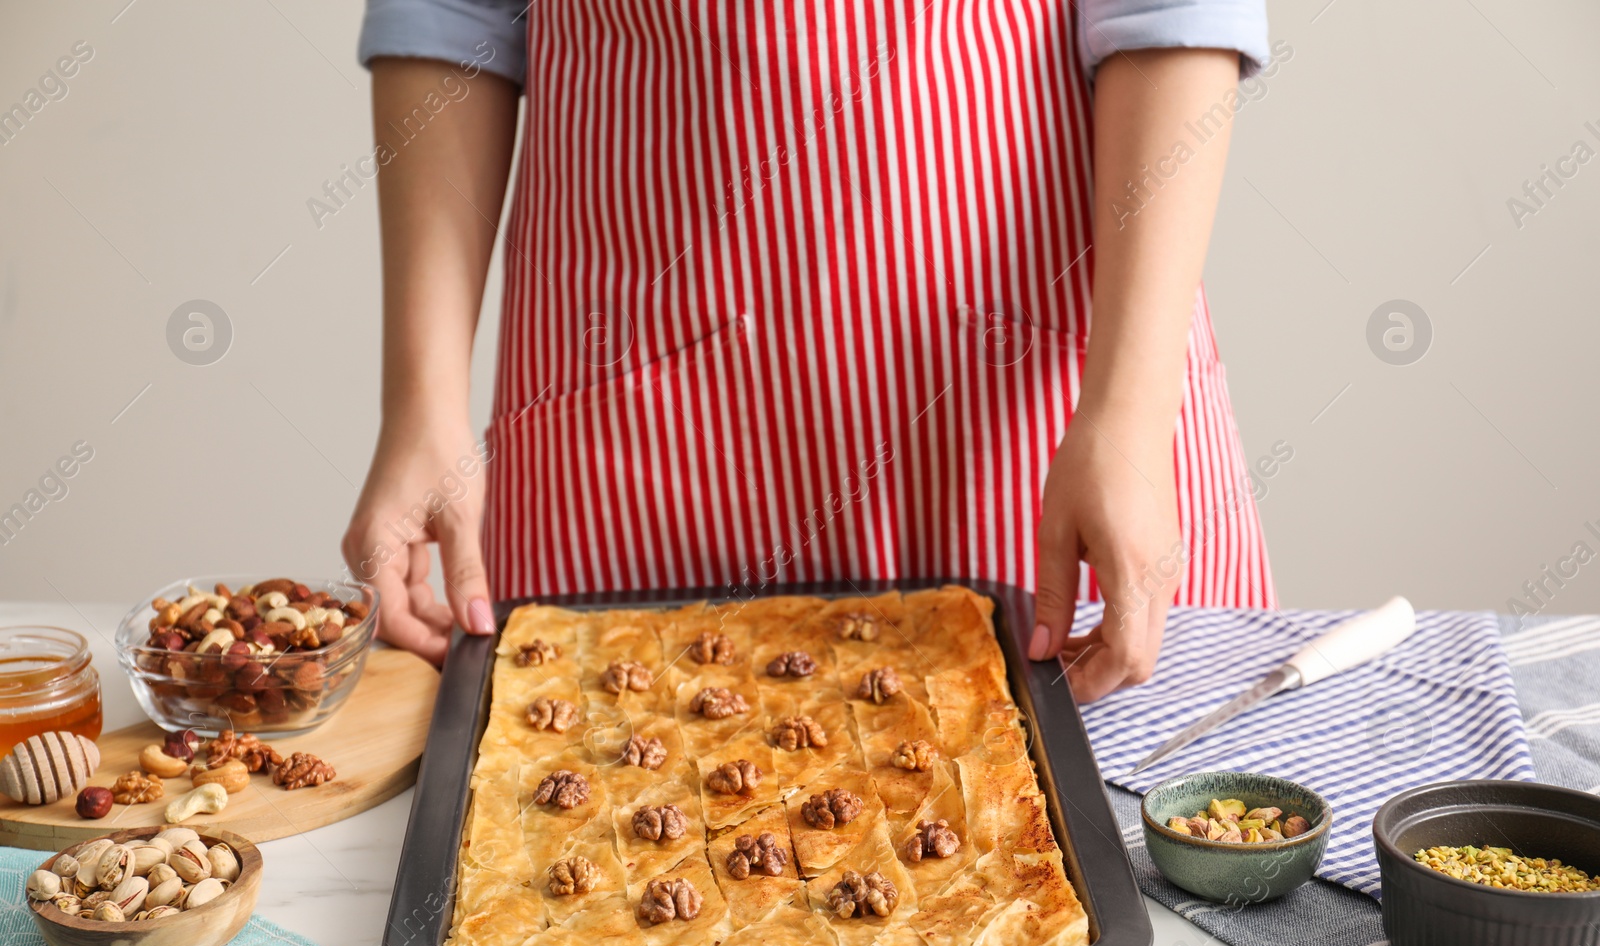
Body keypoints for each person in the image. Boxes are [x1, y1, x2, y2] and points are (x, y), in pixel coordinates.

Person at [342, 0, 1277, 702]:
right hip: (635, 441)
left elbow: (1173, 11)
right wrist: (421, 406)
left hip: (1046, 426)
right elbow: (452, 16)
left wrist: (1129, 409)